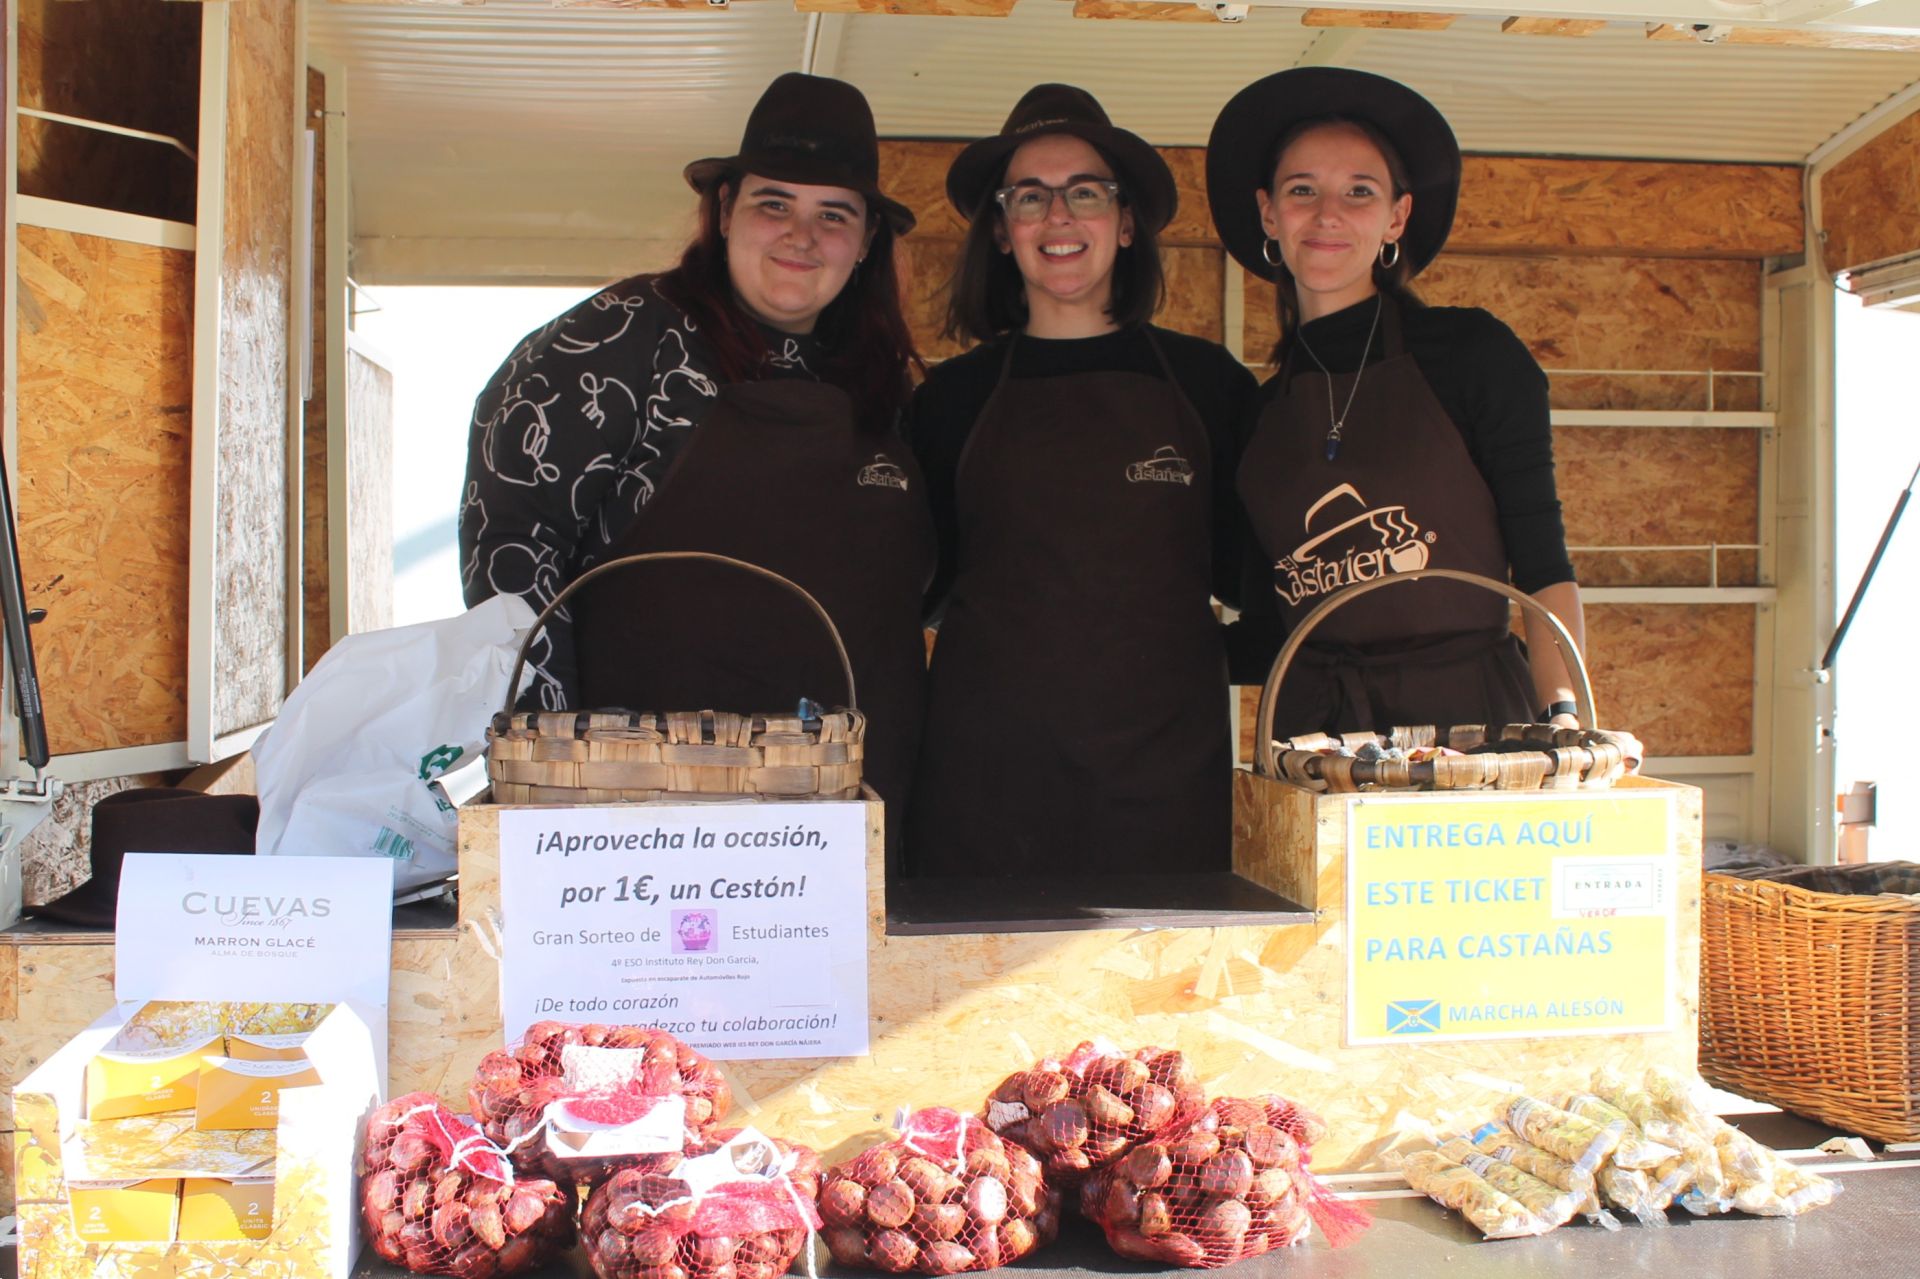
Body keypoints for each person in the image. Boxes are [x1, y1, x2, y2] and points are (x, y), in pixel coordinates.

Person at [459, 73, 935, 846]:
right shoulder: (609, 346)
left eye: (834, 215)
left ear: (868, 239)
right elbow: (513, 553)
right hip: (647, 824)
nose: (800, 235)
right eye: (773, 203)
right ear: (723, 212)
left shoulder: (893, 384)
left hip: (859, 817)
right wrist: (552, 785)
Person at [907, 85, 1257, 879]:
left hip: (1166, 787)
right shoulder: (948, 401)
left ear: (1126, 223)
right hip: (982, 791)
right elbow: (917, 593)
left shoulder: (1210, 387)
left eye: (1085, 194)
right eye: (1030, 196)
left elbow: (1259, 580)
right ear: (1002, 230)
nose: (1057, 217)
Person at [1206, 68, 1586, 739]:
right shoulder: (1254, 416)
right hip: (1318, 744)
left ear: (1396, 217)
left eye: (1359, 191)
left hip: (1476, 736)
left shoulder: (1474, 356)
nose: (1327, 214)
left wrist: (1565, 715)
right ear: (1269, 213)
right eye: (1303, 190)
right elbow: (1270, 626)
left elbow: (1542, 563)